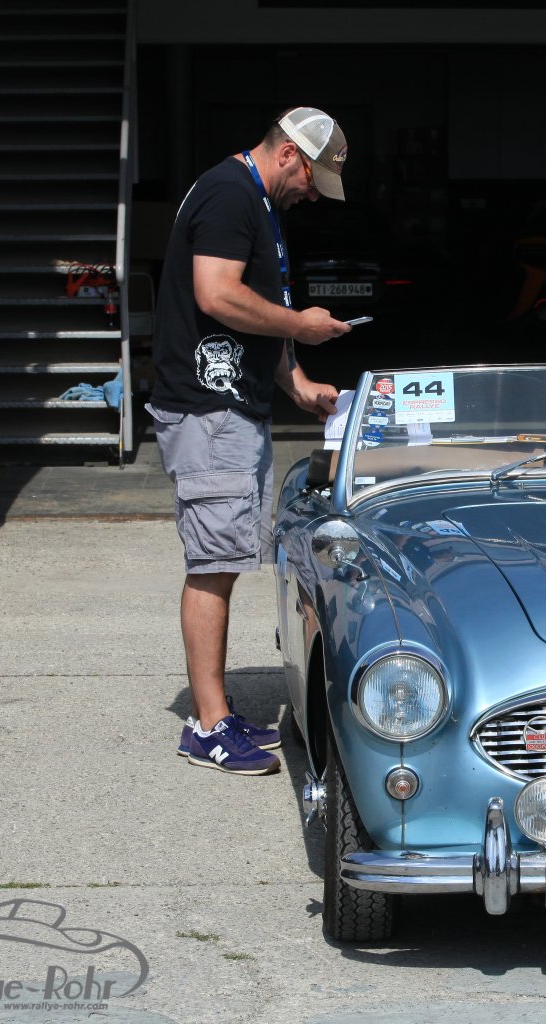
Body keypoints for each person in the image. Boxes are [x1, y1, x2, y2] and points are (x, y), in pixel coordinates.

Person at [147, 106, 353, 775]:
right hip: (209, 411)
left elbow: (257, 310)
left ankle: (218, 714)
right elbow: (216, 294)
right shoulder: (230, 194)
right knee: (213, 560)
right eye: (314, 179)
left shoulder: (256, 202)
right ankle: (208, 726)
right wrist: (302, 324)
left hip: (231, 406)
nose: (313, 195)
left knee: (227, 554)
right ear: (289, 153)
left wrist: (299, 385)